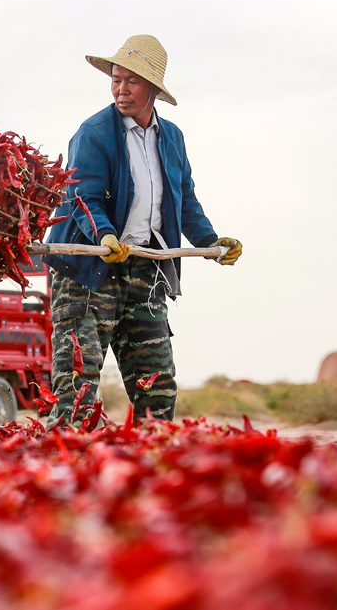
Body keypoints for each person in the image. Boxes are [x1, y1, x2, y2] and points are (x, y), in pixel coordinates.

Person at [42, 35, 242, 426]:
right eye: (116, 79)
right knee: (76, 386)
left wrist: (210, 242)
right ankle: (62, 467)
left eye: (131, 81)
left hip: (143, 268)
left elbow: (183, 201)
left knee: (158, 386)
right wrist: (104, 235)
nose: (120, 89)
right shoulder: (94, 132)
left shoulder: (172, 138)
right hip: (87, 270)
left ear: (152, 88)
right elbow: (83, 195)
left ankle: (149, 470)